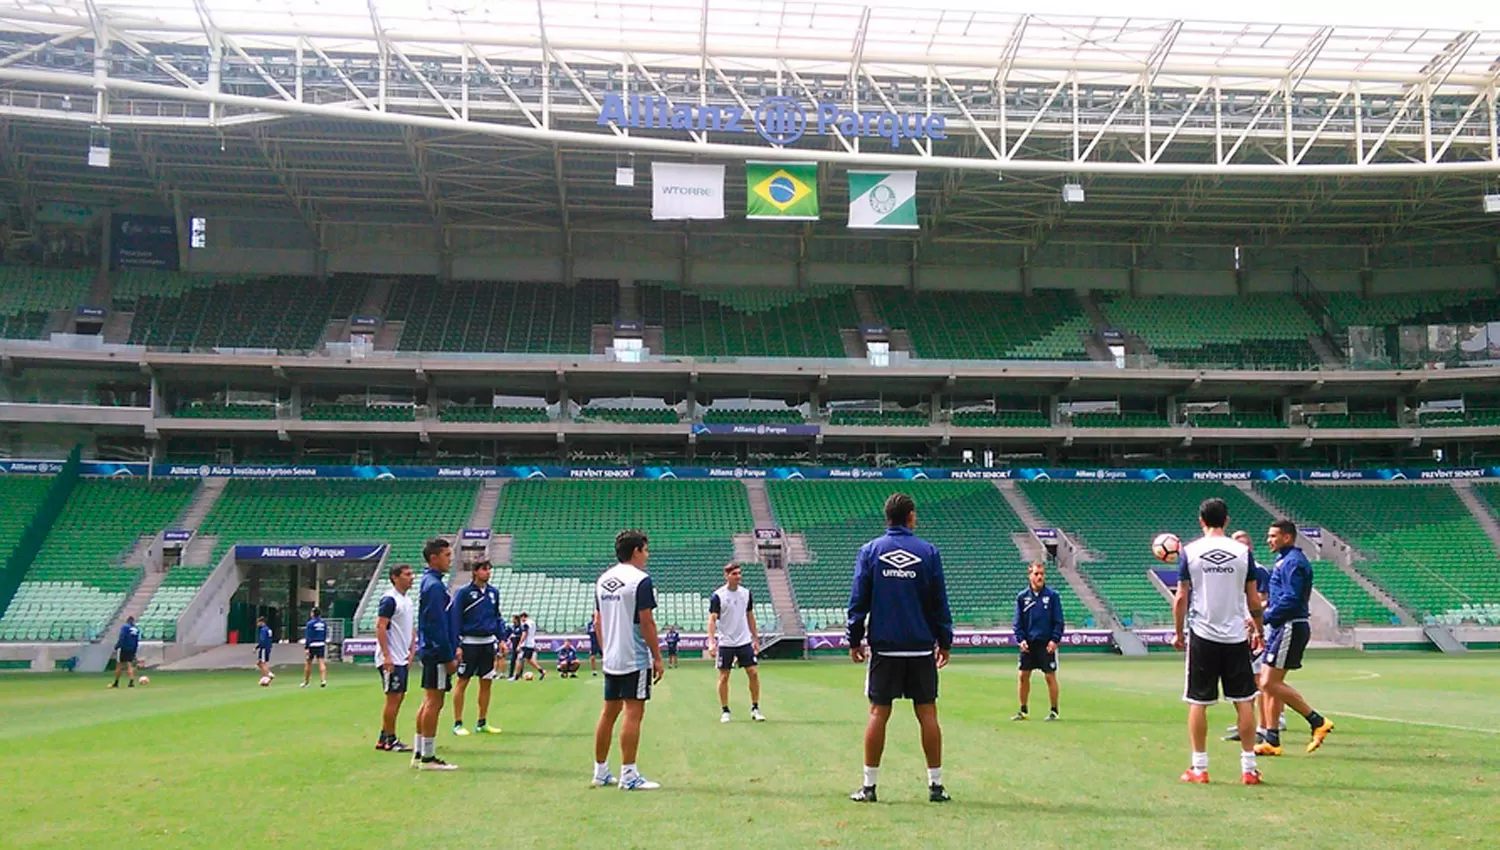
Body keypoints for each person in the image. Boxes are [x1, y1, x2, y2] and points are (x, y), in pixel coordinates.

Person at [846, 493, 953, 804]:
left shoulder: (870, 551)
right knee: (928, 713)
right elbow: (939, 602)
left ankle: (869, 787)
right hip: (920, 648)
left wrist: (854, 639)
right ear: (910, 517)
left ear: (887, 518)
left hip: (885, 648)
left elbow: (858, 601)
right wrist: (944, 641)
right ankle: (936, 786)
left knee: (878, 712)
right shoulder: (929, 553)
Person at [1172, 498, 1265, 785]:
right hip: (1236, 635)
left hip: (1203, 634)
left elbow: (1181, 597)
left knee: (1198, 702)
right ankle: (1248, 768)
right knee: (1244, 701)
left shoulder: (1189, 552)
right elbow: (1253, 600)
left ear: (1201, 520)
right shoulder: (1243, 552)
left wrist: (1177, 633)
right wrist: (1258, 629)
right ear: (1227, 521)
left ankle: (1199, 768)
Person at [591, 529, 666, 791]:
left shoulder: (603, 579)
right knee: (634, 712)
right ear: (636, 551)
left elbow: (597, 620)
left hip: (612, 657)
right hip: (634, 656)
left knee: (608, 712)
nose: (647, 555)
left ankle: (600, 771)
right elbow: (647, 621)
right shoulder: (640, 580)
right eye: (645, 550)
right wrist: (657, 656)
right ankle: (629, 774)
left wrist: (606, 649)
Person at [1256, 520, 1335, 756]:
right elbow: (1280, 596)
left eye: (1273, 536)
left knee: (1269, 683)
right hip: (1282, 626)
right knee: (1268, 684)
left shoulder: (1294, 562)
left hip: (1290, 626)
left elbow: (1291, 599)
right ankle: (1272, 740)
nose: (1269, 540)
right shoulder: (1283, 560)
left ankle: (1317, 721)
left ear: (1287, 537)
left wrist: (1266, 616)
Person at [1224, 530, 1277, 743]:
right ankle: (1247, 724)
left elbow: (1266, 599)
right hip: (1238, 630)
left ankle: (1264, 727)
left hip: (1255, 629)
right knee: (1245, 681)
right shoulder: (1233, 569)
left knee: (1260, 681)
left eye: (1245, 546)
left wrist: (1255, 624)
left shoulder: (1259, 570)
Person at [414, 538, 459, 770]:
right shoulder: (434, 586)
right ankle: (428, 757)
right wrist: (448, 655)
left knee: (428, 701)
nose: (450, 560)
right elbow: (437, 625)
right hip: (437, 653)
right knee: (434, 702)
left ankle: (419, 751)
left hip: (431, 651)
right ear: (434, 558)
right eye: (447, 555)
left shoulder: (430, 583)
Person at [450, 560, 503, 737]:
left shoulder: (493, 593)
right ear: (475, 572)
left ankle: (482, 721)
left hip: (488, 643)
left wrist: (501, 638)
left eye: (489, 569)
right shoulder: (464, 593)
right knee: (463, 681)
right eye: (484, 569)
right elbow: (455, 618)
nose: (488, 572)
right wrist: (457, 644)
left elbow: (497, 617)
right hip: (469, 643)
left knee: (486, 682)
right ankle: (457, 723)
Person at [708, 564, 764, 723]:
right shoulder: (718, 596)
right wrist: (712, 642)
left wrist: (755, 638)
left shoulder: (746, 594)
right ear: (726, 575)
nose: (738, 576)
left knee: (753, 673)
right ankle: (725, 710)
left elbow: (750, 616)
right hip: (726, 642)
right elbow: (712, 619)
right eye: (734, 574)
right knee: (724, 676)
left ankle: (755, 707)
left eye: (739, 573)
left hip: (744, 640)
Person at [1010, 561, 1064, 722]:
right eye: (1036, 574)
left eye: (1042, 574)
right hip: (1029, 645)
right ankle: (1023, 710)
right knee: (1023, 676)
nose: (1040, 576)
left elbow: (1059, 621)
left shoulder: (1052, 596)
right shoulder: (1022, 597)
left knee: (1050, 677)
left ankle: (1054, 710)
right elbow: (1017, 622)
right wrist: (1021, 640)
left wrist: (1055, 640)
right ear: (1030, 575)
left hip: (1046, 644)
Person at [374, 564, 416, 753]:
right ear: (395, 577)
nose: (412, 577)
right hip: (392, 657)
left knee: (398, 697)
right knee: (393, 697)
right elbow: (381, 626)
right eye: (407, 574)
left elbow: (409, 626)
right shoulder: (390, 599)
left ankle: (384, 737)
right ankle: (390, 739)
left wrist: (412, 648)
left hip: (402, 656)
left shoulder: (407, 600)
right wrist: (386, 655)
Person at [513, 612, 546, 681]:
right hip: (531, 643)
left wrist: (519, 644)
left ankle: (516, 676)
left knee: (519, 659)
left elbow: (525, 633)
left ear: (523, 617)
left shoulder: (526, 624)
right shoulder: (532, 622)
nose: (521, 620)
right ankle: (542, 671)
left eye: (521, 618)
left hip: (526, 644)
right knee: (529, 660)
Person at [110, 616, 141, 688]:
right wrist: (135, 650)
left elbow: (122, 637)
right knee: (129, 665)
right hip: (132, 649)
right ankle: (131, 682)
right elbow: (137, 640)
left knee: (119, 666)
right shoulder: (136, 629)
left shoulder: (125, 627)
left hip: (123, 648)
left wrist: (117, 646)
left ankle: (116, 683)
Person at [301, 607, 329, 688]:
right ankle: (323, 680)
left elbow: (308, 636)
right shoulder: (323, 623)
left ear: (313, 613)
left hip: (312, 645)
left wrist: (306, 647)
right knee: (321, 662)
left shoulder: (310, 623)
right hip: (321, 644)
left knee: (308, 662)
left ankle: (306, 682)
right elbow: (324, 634)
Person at [255, 616, 275, 682]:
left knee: (263, 663)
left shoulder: (263, 630)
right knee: (259, 662)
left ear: (261, 622)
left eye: (258, 622)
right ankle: (269, 673)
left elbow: (262, 640)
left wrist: (257, 647)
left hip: (264, 648)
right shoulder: (268, 629)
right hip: (268, 647)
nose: (257, 624)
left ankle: (266, 677)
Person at [506, 614, 524, 680]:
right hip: (513, 645)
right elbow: (508, 635)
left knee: (520, 659)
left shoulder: (521, 627)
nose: (512, 620)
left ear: (516, 619)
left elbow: (522, 635)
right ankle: (510, 674)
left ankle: (519, 674)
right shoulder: (512, 627)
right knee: (513, 659)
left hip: (519, 645)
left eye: (513, 619)